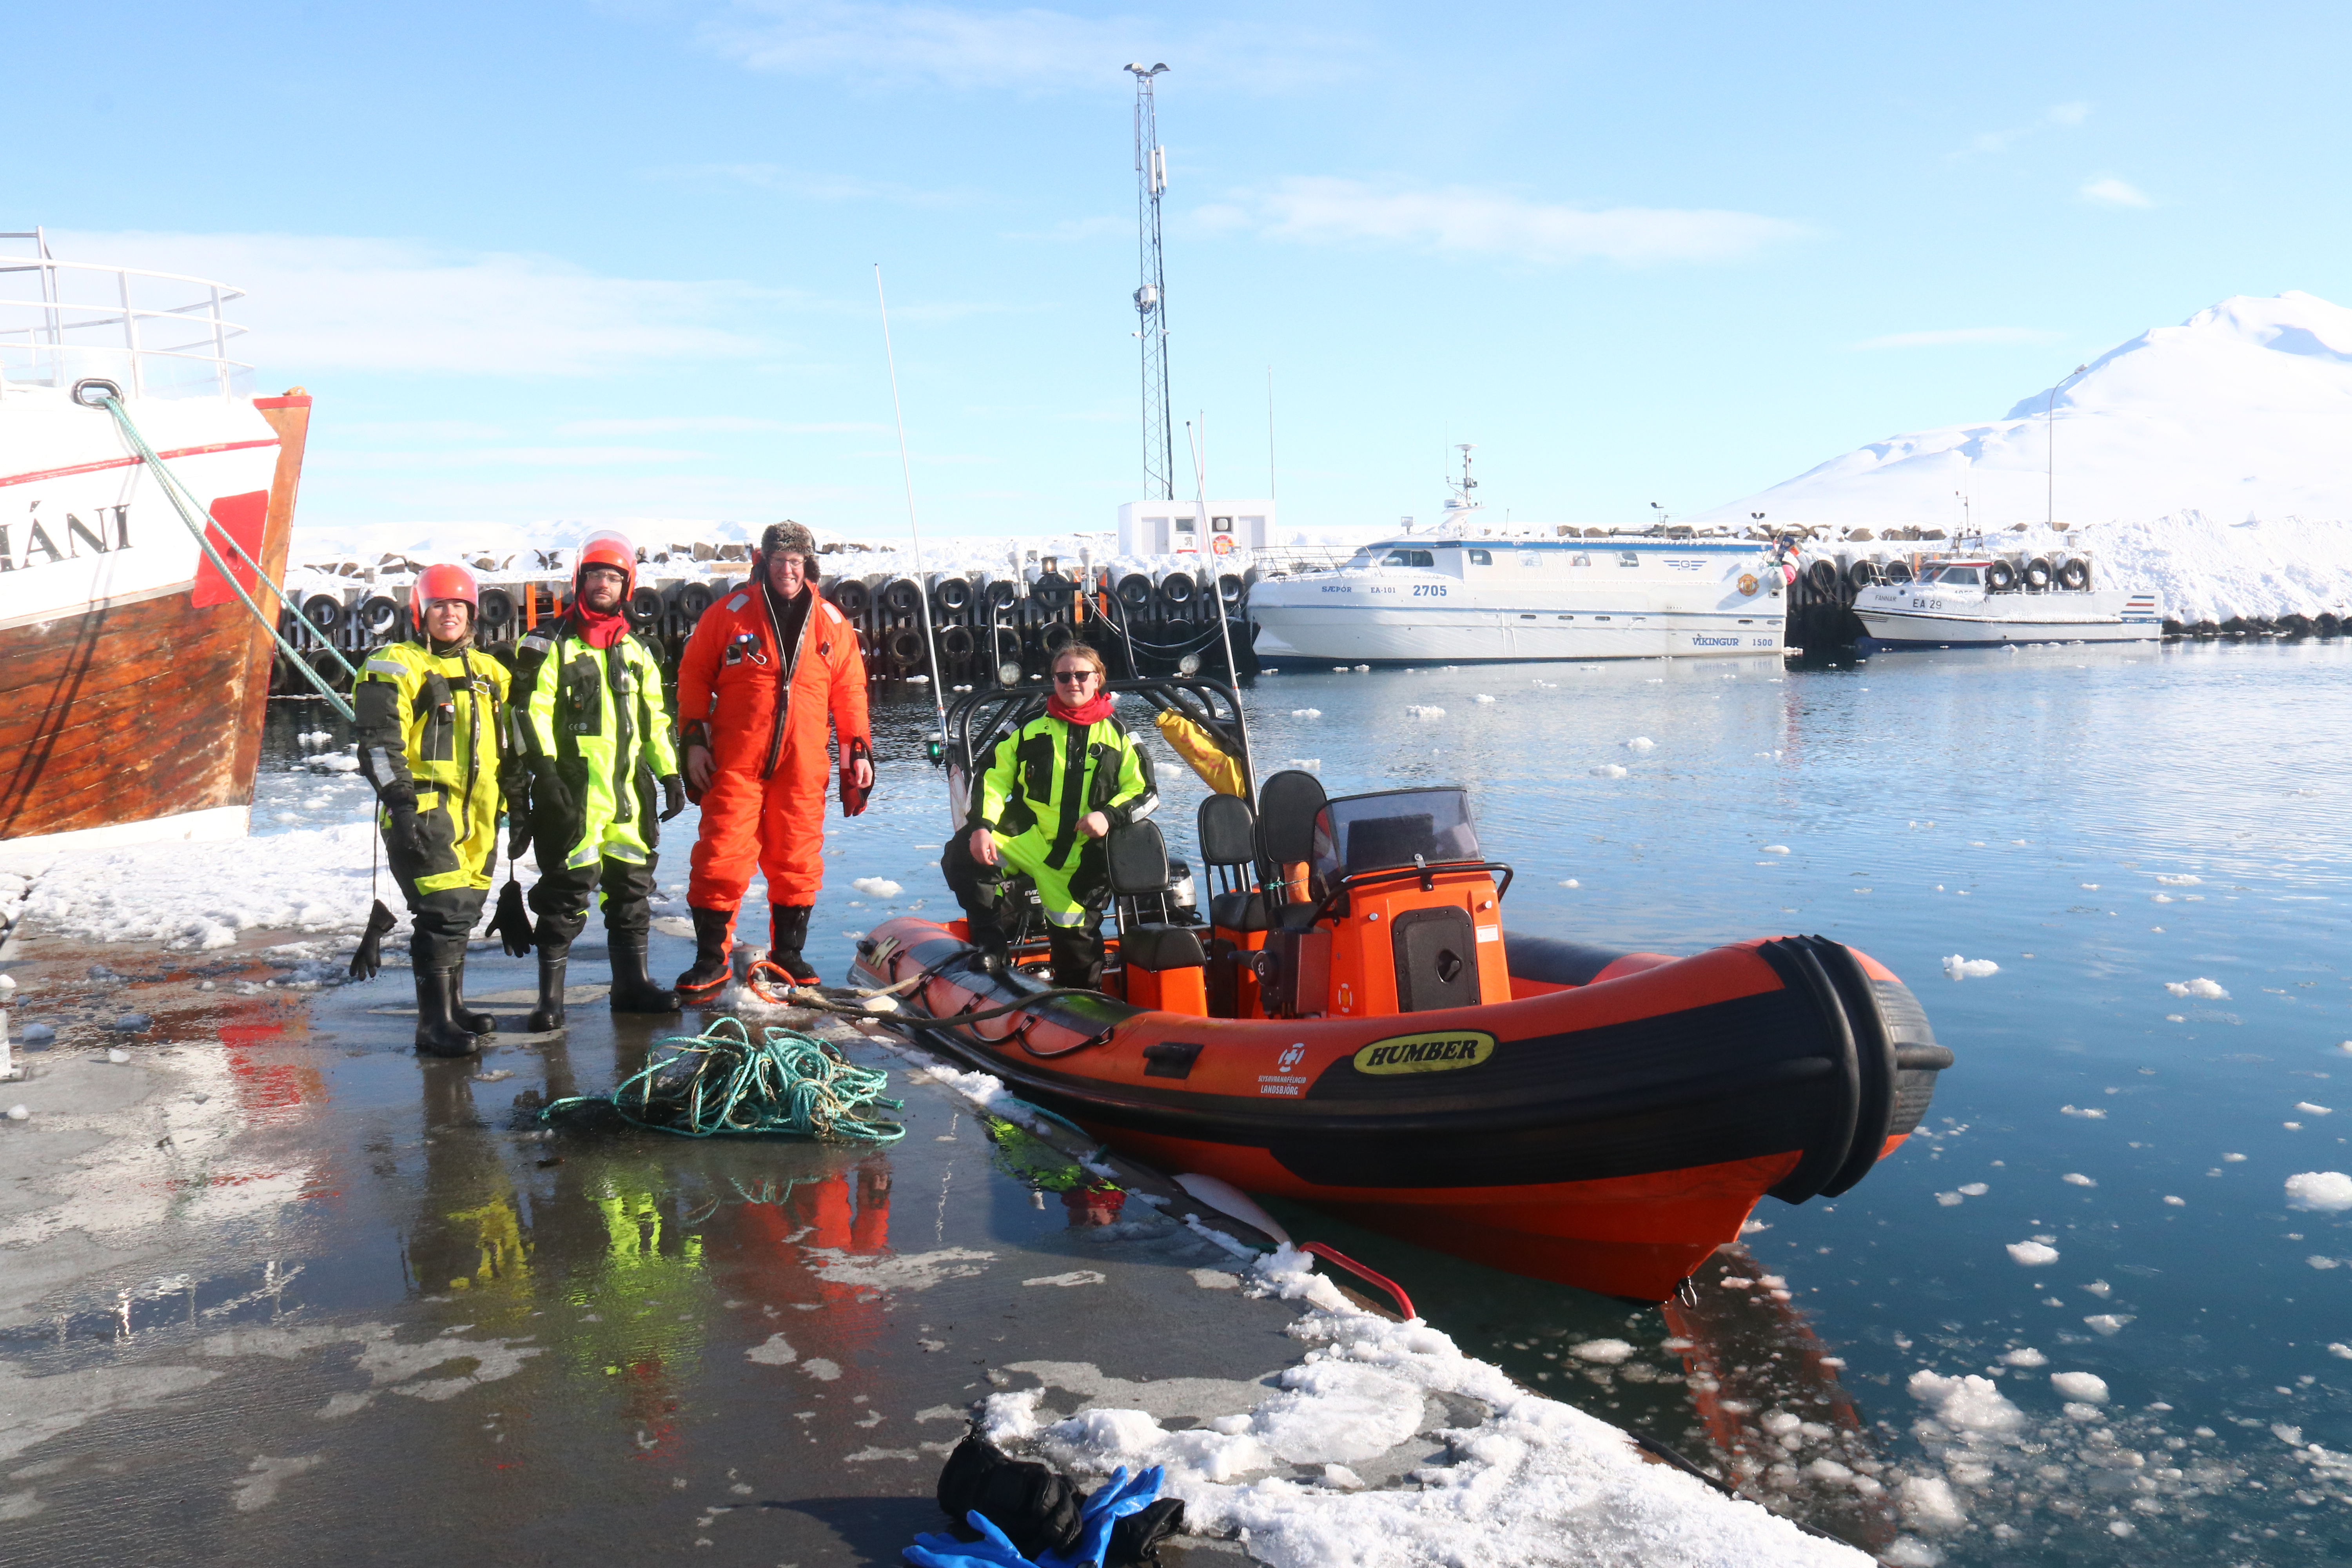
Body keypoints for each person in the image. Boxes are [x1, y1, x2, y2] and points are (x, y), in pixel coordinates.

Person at [672, 520, 872, 998]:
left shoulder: (832, 623)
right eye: (780, 561)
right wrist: (694, 740)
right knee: (721, 853)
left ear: (809, 566)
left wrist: (857, 750)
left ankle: (789, 953)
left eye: (797, 562)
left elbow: (850, 692)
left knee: (798, 855)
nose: (788, 570)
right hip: (736, 758)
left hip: (802, 762)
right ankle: (711, 957)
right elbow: (694, 677)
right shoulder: (728, 615)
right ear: (764, 563)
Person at [509, 530, 687, 1029]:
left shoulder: (639, 651)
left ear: (626, 585)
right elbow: (527, 713)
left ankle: (632, 984)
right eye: (595, 575)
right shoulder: (548, 643)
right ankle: (550, 1000)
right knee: (566, 891)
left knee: (631, 889)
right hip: (573, 790)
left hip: (629, 793)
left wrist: (670, 773)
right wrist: (544, 773)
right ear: (579, 580)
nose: (603, 584)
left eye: (613, 577)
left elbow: (655, 719)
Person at [354, 563, 511, 1056]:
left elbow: (515, 742)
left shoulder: (491, 672)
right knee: (441, 910)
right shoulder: (397, 664)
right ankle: (432, 1024)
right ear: (421, 611)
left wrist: (523, 803)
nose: (451, 614)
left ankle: (454, 1008)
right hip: (423, 810)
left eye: (460, 606)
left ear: (474, 614)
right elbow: (379, 743)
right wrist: (401, 806)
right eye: (441, 605)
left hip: (480, 815)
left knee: (463, 910)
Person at [940, 643, 1158, 987]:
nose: (1073, 682)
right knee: (962, 854)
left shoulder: (1119, 733)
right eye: (1064, 676)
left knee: (1078, 956)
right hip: (1027, 840)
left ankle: (1082, 1003)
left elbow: (1145, 792)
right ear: (1054, 681)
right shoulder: (1027, 726)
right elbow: (991, 777)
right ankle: (991, 946)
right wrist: (981, 827)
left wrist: (1108, 816)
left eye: (1082, 675)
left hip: (1080, 857)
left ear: (1097, 679)